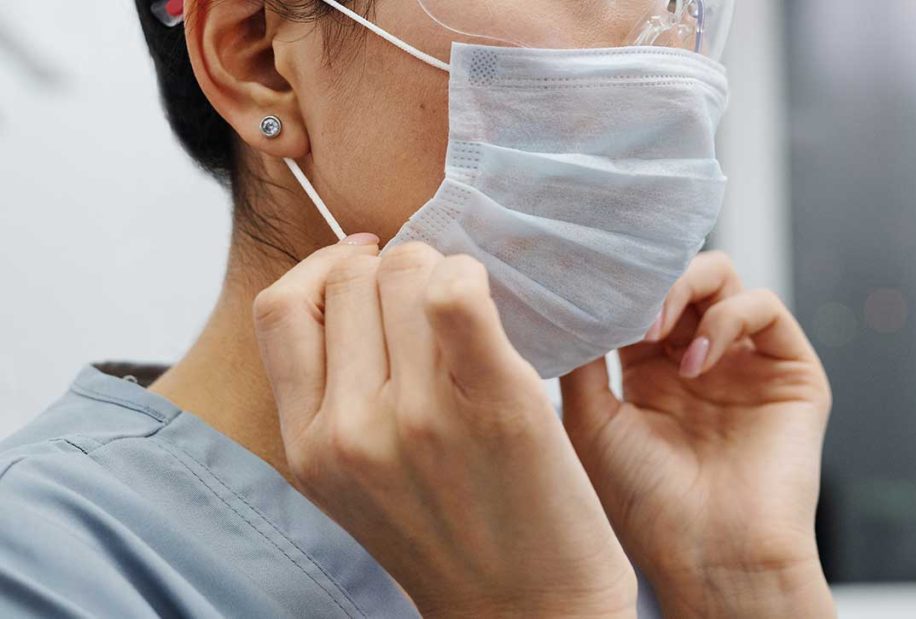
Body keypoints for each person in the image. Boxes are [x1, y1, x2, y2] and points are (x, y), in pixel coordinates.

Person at [0, 1, 835, 617]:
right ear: (262, 59)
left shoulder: (642, 532)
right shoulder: (45, 566)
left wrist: (746, 583)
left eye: (679, 0)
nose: (662, 40)